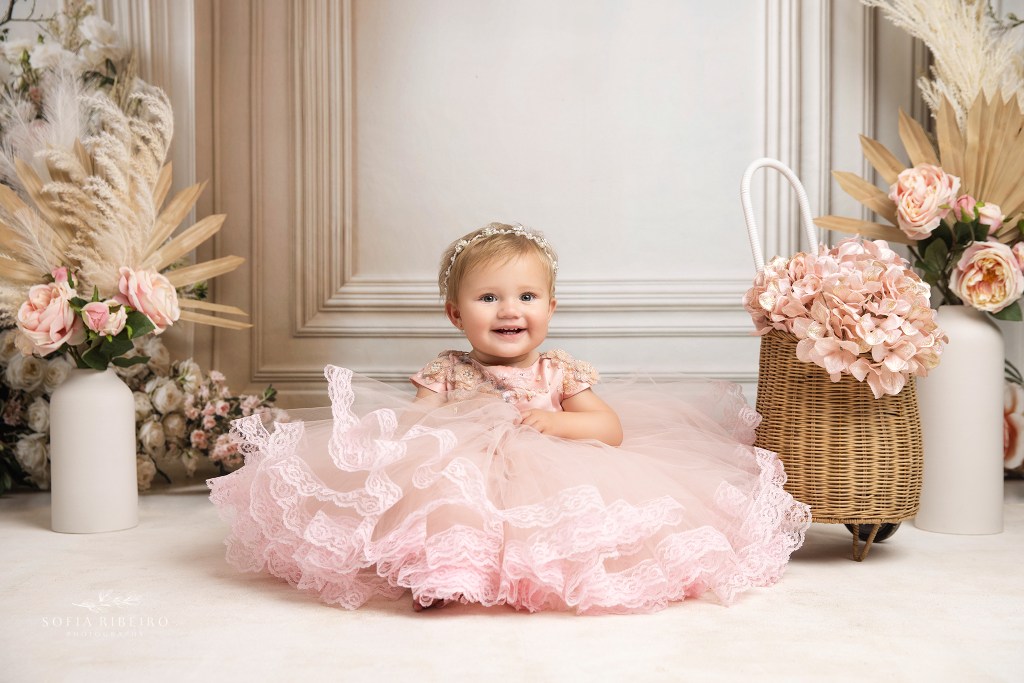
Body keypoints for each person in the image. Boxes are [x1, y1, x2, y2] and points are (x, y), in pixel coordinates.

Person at [209, 222, 810, 615]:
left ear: (551, 306)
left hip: (546, 467)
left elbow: (610, 430)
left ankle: (545, 574)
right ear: (455, 312)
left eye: (526, 297)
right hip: (467, 469)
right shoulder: (448, 368)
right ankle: (441, 573)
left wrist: (558, 425)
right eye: (488, 297)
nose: (508, 310)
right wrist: (404, 440)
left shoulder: (559, 372)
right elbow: (418, 422)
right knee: (440, 489)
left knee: (572, 513)